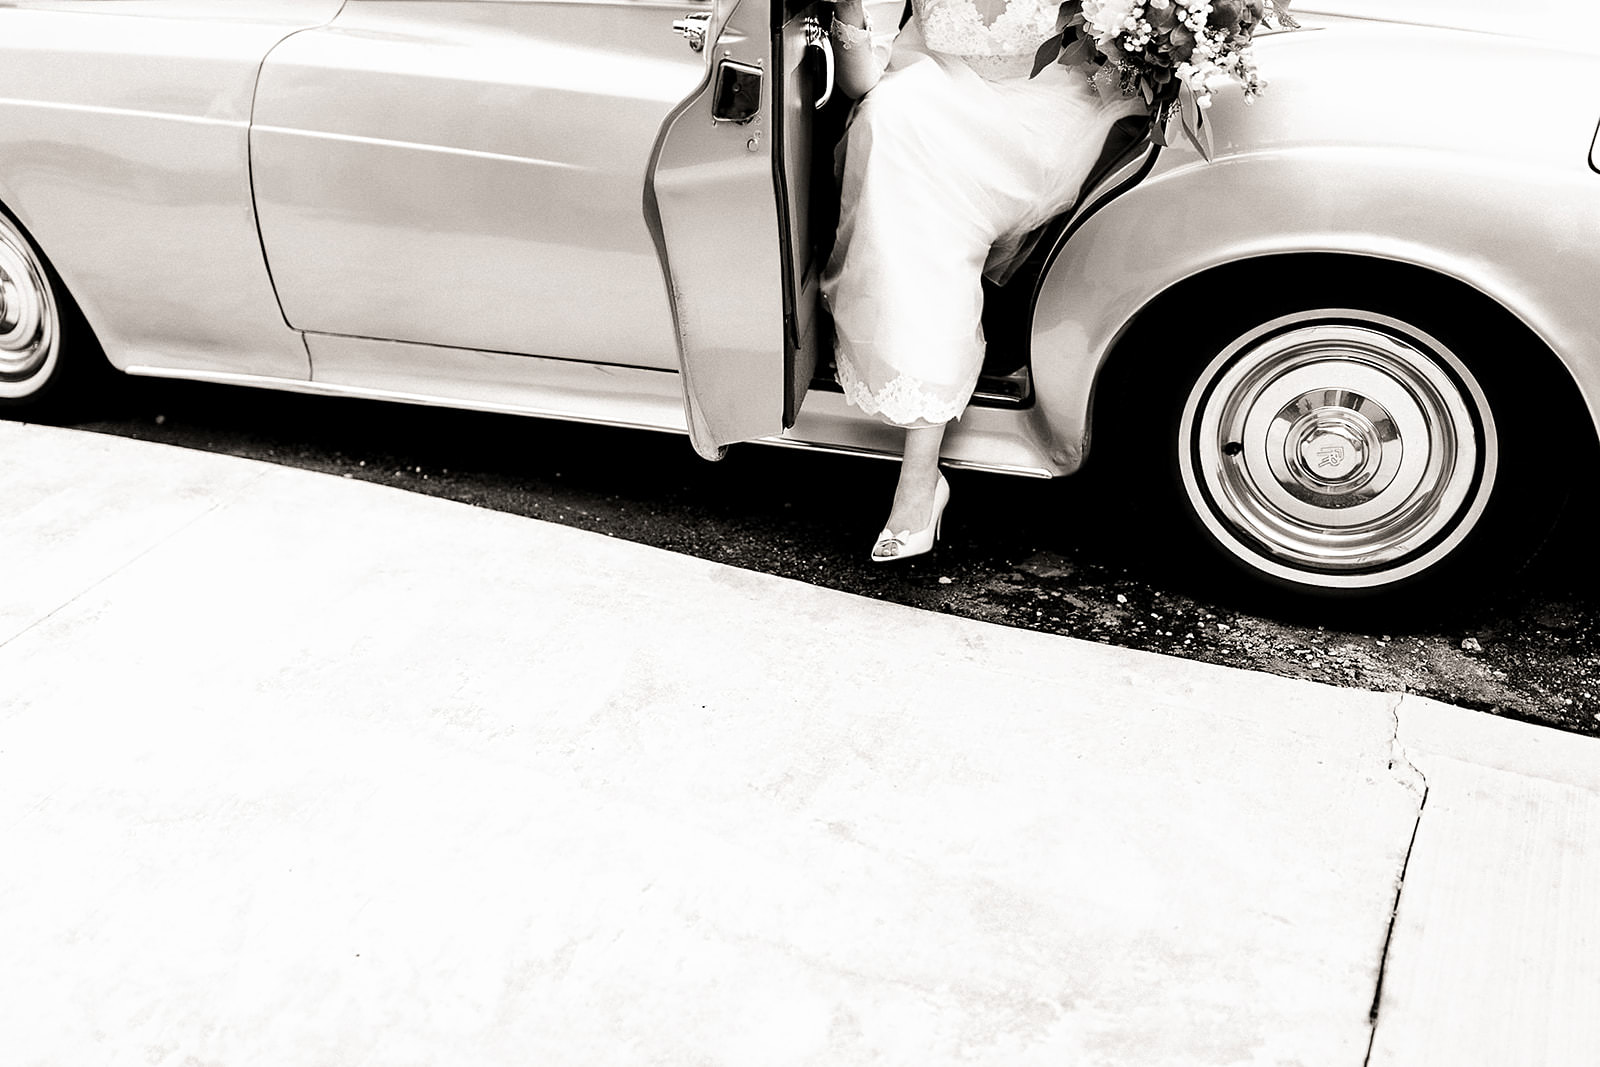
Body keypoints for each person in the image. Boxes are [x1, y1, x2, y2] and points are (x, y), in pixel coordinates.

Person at [823, 0, 1149, 561]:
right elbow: (860, 83)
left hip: (1047, 121)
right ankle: (919, 479)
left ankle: (921, 472)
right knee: (890, 122)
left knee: (909, 143)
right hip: (931, 101)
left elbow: (1118, 56)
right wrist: (850, 7)